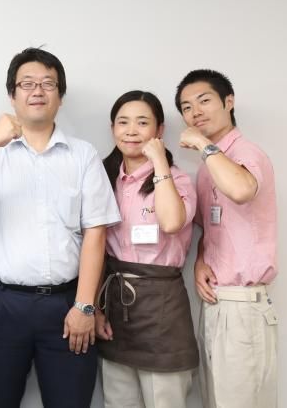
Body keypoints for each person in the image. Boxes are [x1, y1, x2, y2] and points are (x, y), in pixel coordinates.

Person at [0, 47, 121, 408]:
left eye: (48, 84)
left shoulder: (83, 155)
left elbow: (96, 233)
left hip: (68, 304)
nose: (38, 91)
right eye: (27, 84)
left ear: (60, 96)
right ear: (12, 95)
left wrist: (85, 306)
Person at [176, 69, 278, 408]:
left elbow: (241, 190)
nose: (195, 112)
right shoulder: (209, 166)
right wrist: (201, 260)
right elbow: (210, 227)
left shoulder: (246, 153)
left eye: (204, 100)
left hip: (243, 305)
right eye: (186, 107)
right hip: (216, 303)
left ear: (228, 102)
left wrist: (202, 144)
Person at [96, 90, 199, 408]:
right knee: (118, 401)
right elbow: (95, 247)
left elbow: (171, 222)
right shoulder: (104, 177)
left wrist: (159, 161)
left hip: (162, 309)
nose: (131, 131)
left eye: (142, 123)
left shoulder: (177, 180)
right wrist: (95, 308)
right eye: (123, 122)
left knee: (165, 400)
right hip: (115, 305)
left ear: (159, 130)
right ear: (112, 128)